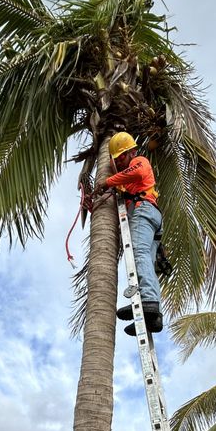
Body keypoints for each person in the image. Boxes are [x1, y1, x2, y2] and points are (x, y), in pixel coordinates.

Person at [92, 131, 163, 336]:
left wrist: (107, 182)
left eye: (122, 157)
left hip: (144, 211)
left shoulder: (140, 161)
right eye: (117, 159)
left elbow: (138, 173)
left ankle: (148, 302)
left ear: (131, 152)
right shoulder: (127, 183)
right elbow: (123, 189)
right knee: (146, 262)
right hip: (149, 216)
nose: (120, 162)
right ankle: (153, 317)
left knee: (139, 253)